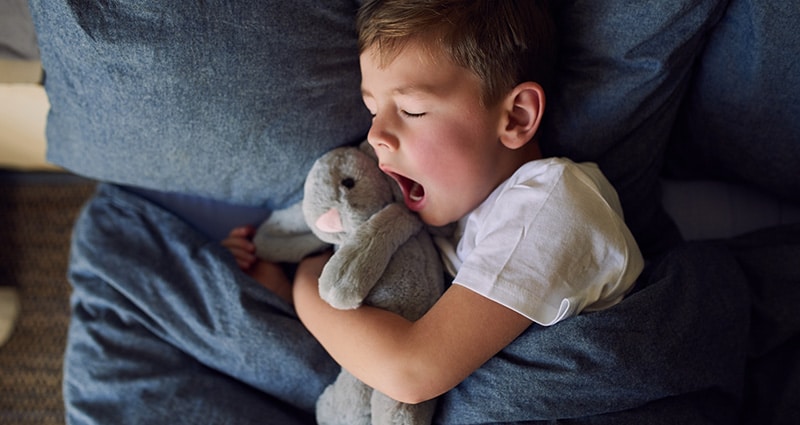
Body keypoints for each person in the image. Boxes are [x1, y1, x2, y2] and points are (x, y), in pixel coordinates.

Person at [225, 0, 644, 405]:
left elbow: (411, 372)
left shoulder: (554, 201)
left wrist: (307, 280)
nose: (375, 136)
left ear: (516, 116)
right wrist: (277, 287)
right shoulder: (443, 217)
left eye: (412, 110)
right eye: (373, 110)